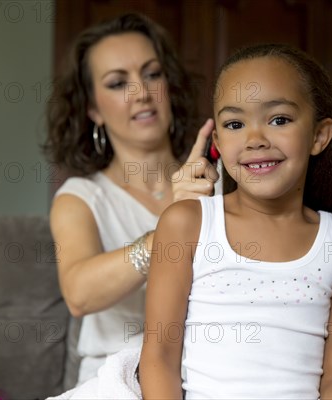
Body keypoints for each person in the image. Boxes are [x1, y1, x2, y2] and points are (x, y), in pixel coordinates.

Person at [139, 43, 332, 399]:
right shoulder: (186, 224)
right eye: (235, 124)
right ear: (217, 141)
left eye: (279, 120)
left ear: (318, 135)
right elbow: (158, 358)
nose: (254, 140)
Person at [43, 13, 219, 385]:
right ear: (92, 109)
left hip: (210, 372)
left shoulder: (217, 180)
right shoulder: (80, 199)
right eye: (118, 83)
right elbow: (79, 293)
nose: (142, 92)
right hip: (117, 378)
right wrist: (170, 227)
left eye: (152, 74)